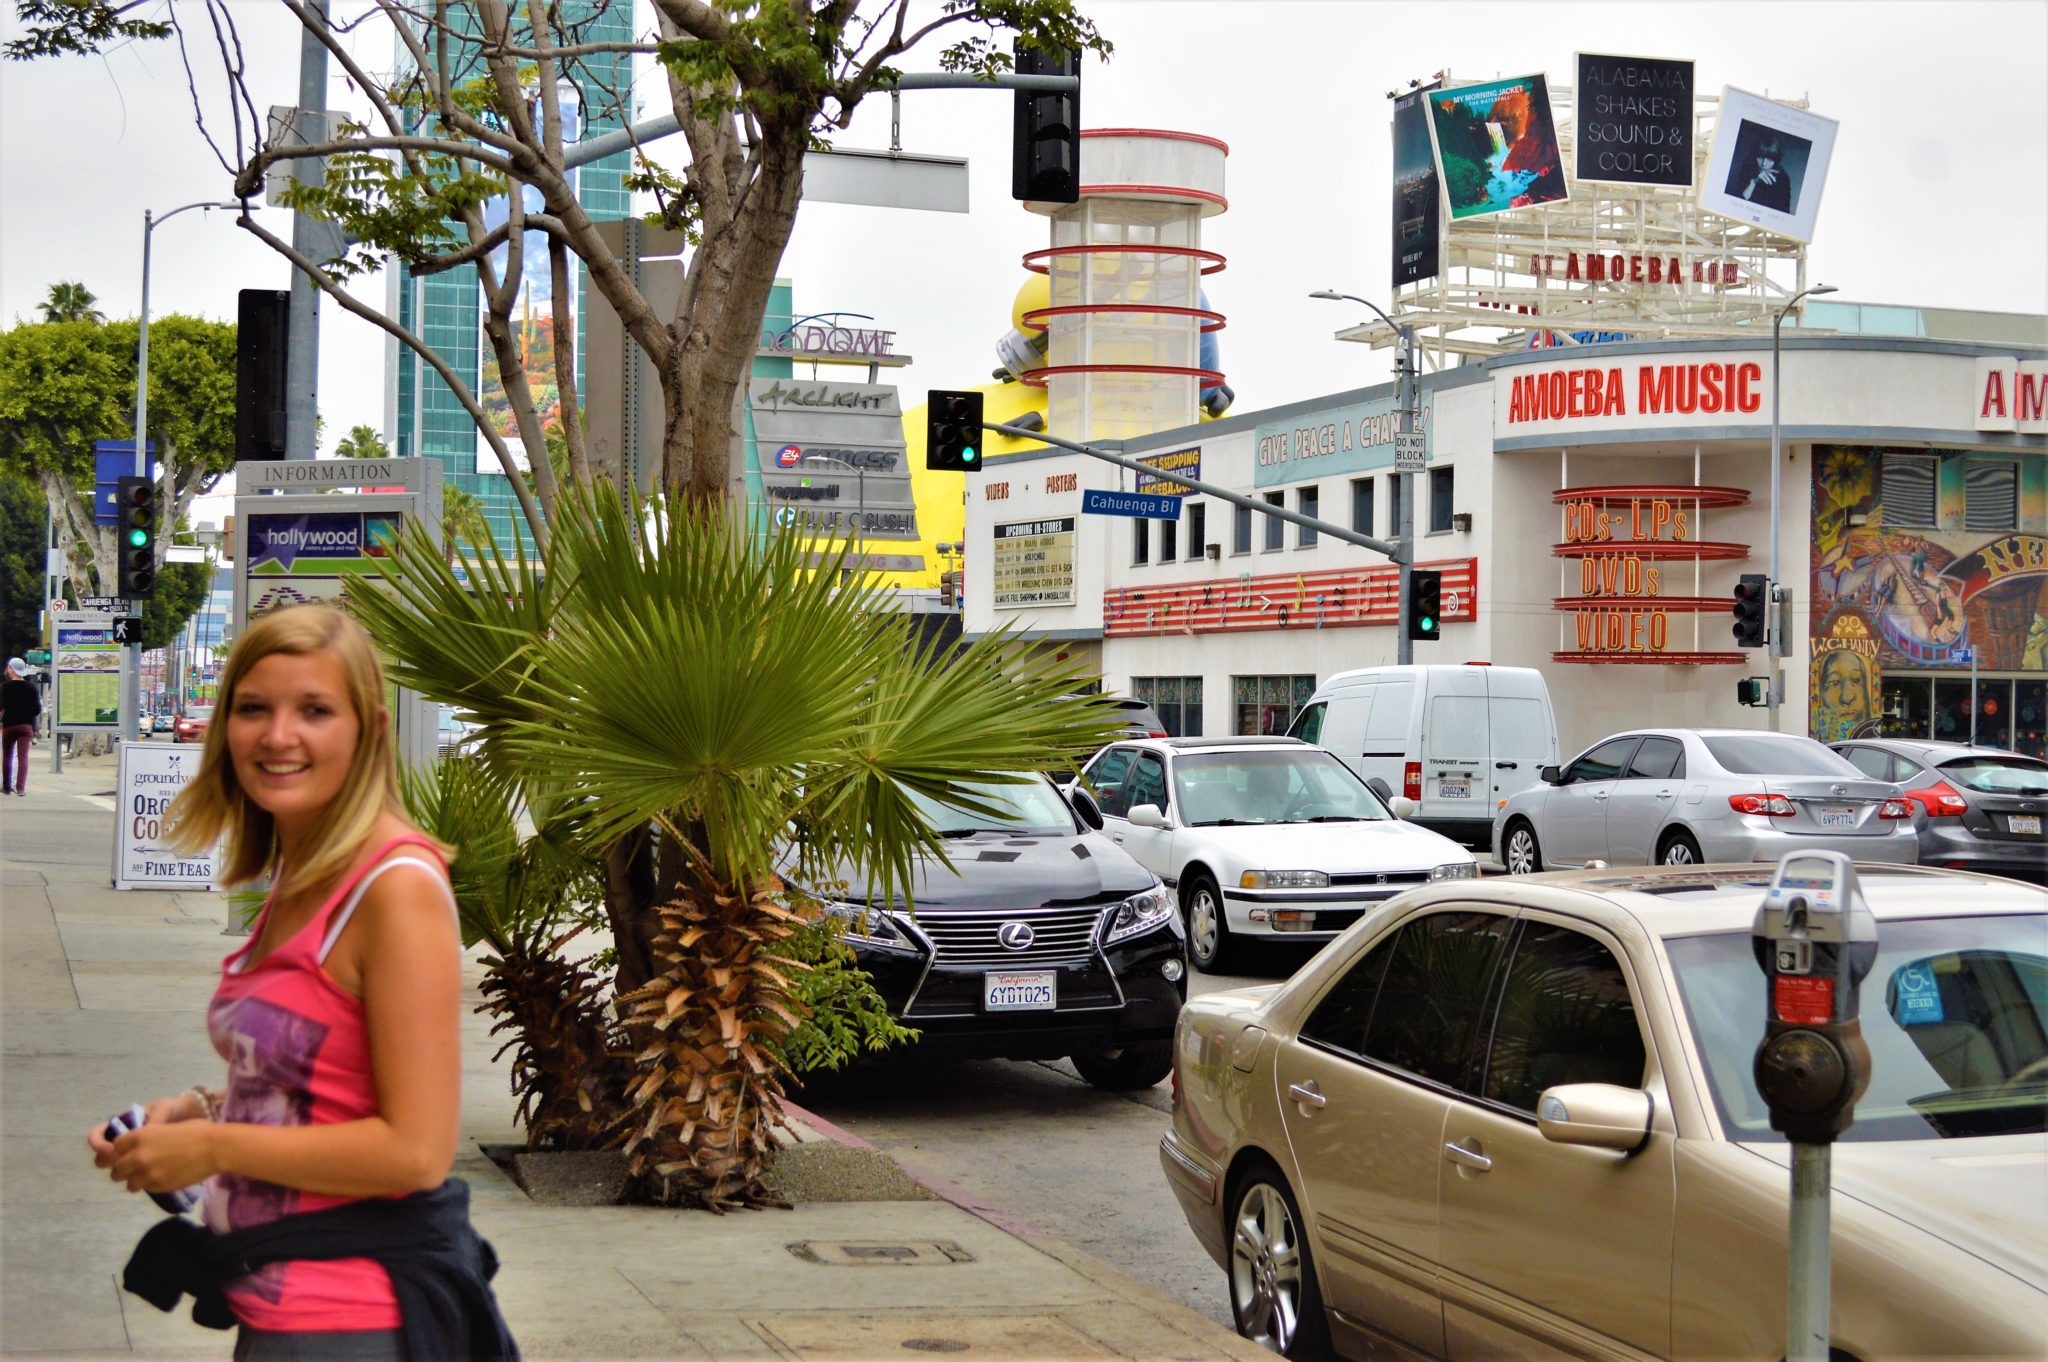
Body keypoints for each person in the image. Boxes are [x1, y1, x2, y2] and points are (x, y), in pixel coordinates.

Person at [85, 605, 515, 1361]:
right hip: (281, 1310)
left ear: (369, 731)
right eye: (254, 708)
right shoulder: (303, 870)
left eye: (315, 710)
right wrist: (197, 1111)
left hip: (352, 1320)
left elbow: (416, 1150)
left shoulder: (395, 888)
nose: (278, 736)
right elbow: (328, 1084)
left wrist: (217, 1147)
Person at [2, 656, 40, 796]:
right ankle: (21, 788)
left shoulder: (5, 687)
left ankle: (6, 787)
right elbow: (36, 710)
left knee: (8, 756)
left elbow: (1, 707)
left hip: (9, 726)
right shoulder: (31, 688)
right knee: (23, 756)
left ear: (11, 669)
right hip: (26, 727)